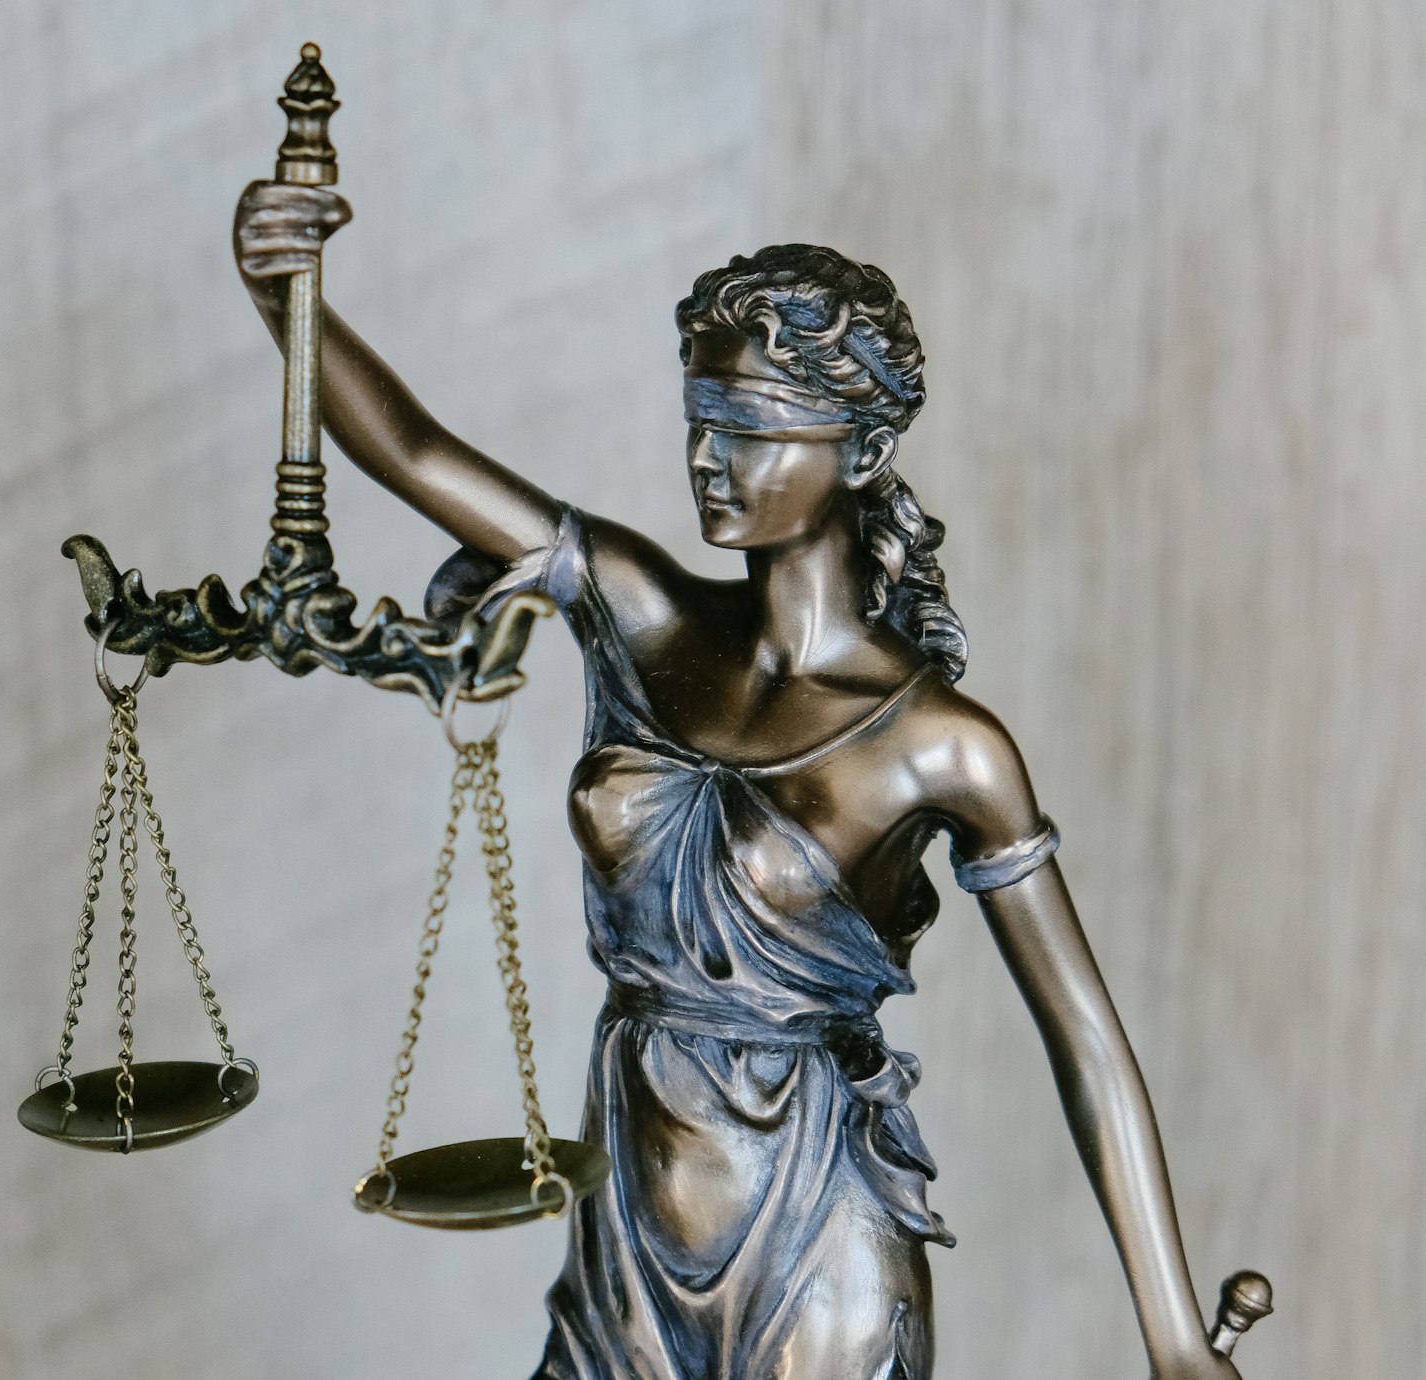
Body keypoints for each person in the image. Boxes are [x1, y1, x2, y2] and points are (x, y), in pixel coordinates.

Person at [234, 181, 1241, 1380]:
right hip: (625, 1237)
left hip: (823, 1236)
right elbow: (413, 452)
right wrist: (284, 296)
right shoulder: (641, 616)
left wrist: (1177, 1340)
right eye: (699, 420)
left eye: (753, 427)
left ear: (861, 449)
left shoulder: (944, 745)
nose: (709, 460)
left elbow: (1084, 1037)